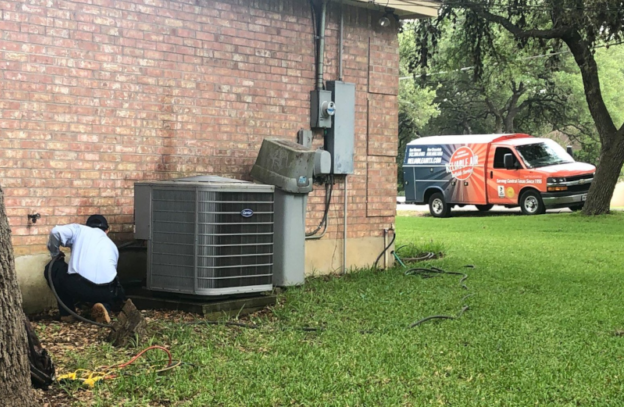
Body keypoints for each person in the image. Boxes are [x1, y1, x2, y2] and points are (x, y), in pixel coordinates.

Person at [44, 214, 126, 323]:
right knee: (110, 285)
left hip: (79, 287)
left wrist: (56, 254)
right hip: (106, 291)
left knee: (53, 267)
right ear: (107, 231)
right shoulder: (113, 246)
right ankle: (104, 307)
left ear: (87, 226)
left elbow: (55, 232)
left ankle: (67, 314)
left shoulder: (80, 230)